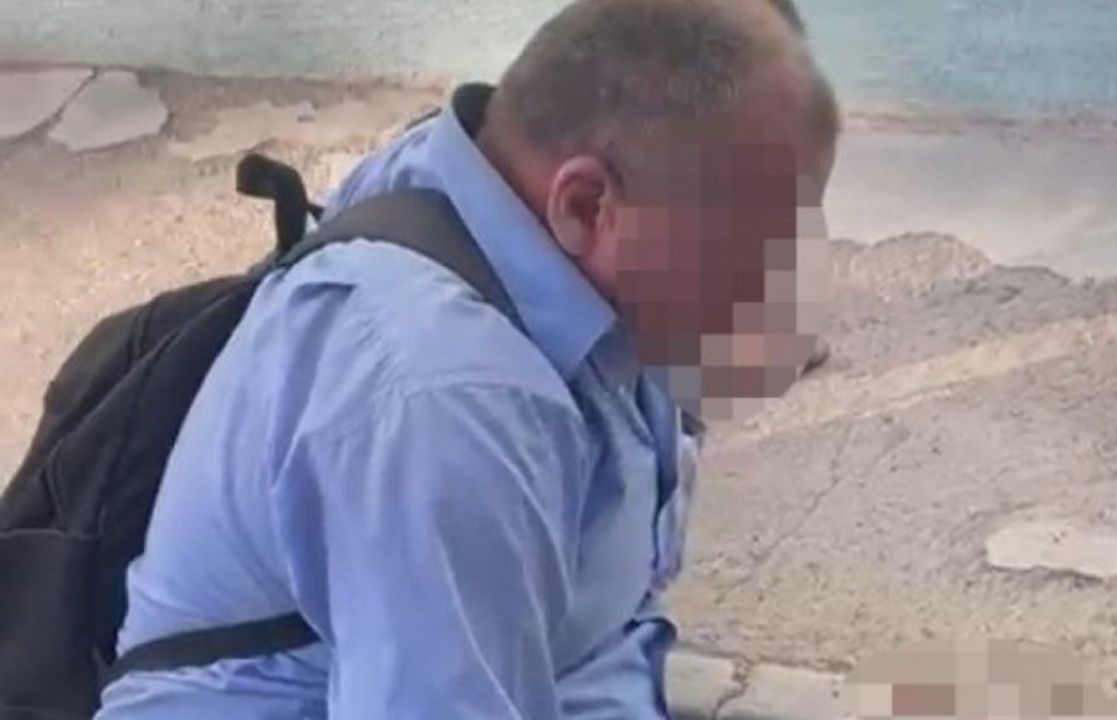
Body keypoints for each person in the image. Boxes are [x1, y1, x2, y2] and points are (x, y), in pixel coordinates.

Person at [96, 0, 840, 717]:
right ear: (586, 206)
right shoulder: (450, 406)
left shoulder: (482, 177)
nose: (774, 289)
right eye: (746, 249)